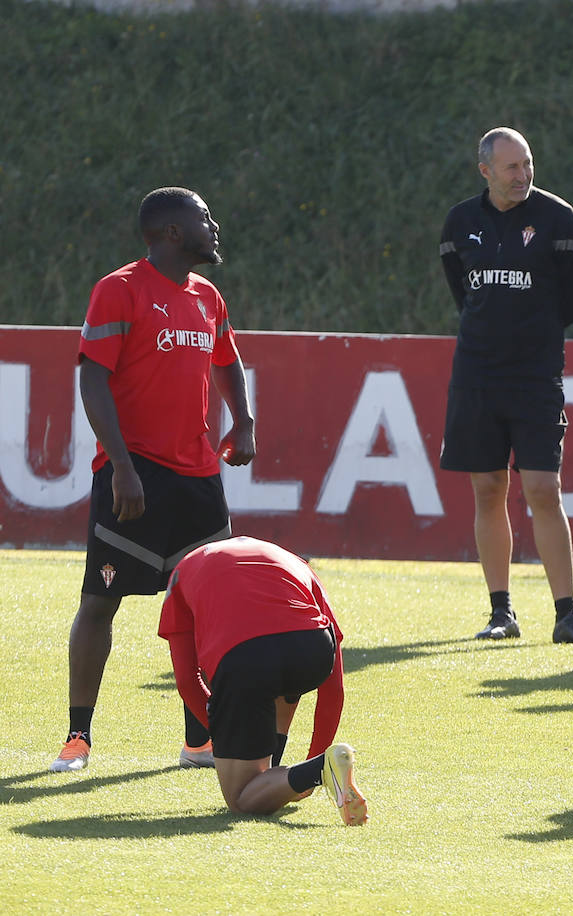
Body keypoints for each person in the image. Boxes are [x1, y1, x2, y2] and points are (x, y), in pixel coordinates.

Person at [51, 187, 257, 774]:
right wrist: (121, 465)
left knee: (206, 610)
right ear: (170, 231)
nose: (213, 226)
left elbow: (226, 358)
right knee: (100, 601)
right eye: (203, 219)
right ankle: (78, 736)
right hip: (133, 476)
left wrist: (241, 420)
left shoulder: (206, 296)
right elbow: (93, 379)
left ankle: (200, 740)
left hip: (197, 479)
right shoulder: (119, 289)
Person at [439, 127, 573, 645]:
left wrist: (531, 331)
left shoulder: (558, 219)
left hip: (535, 376)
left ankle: (567, 616)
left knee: (542, 490)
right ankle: (500, 612)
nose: (522, 175)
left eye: (527, 164)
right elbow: (460, 290)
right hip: (476, 374)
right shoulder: (460, 222)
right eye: (511, 167)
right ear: (485, 170)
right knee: (488, 490)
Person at [158, 536, 367, 825]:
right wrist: (318, 749)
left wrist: (228, 730)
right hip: (313, 651)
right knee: (281, 677)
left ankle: (314, 770)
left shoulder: (181, 573)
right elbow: (334, 688)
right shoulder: (295, 562)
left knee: (242, 800)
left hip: (248, 659)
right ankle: (278, 771)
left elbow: (187, 681)